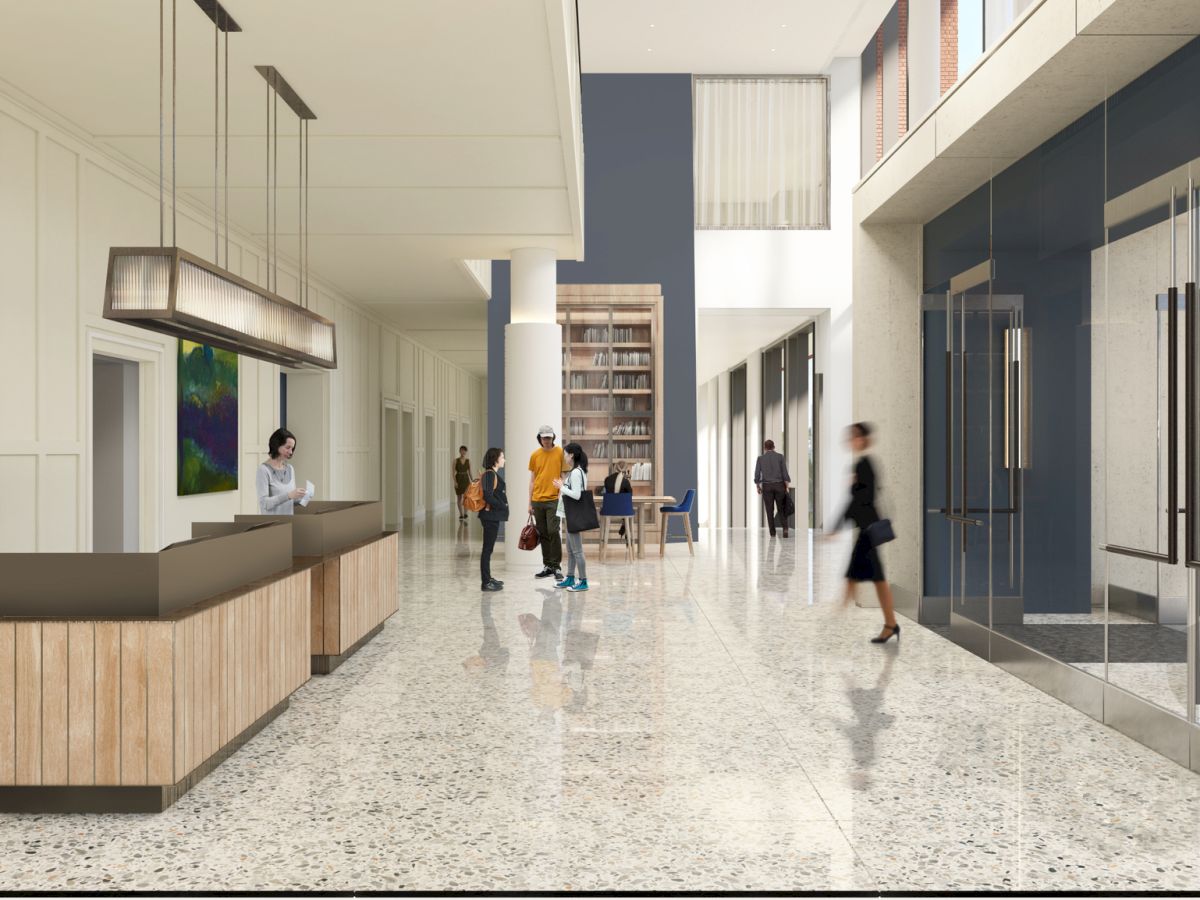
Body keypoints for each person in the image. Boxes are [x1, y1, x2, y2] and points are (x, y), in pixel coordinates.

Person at [829, 422, 899, 644]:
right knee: (876, 578)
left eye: (854, 437)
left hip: (868, 529)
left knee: (857, 573)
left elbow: (861, 499)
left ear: (863, 439)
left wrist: (837, 526)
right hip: (867, 527)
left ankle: (840, 612)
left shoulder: (863, 464)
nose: (851, 440)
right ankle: (889, 624)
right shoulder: (862, 463)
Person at [528, 425, 566, 580]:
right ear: (540, 438)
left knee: (553, 531)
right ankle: (548, 565)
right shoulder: (535, 455)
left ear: (553, 437)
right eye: (544, 437)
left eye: (549, 437)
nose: (547, 440)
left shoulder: (560, 453)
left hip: (553, 500)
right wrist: (529, 503)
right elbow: (532, 480)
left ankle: (556, 566)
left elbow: (564, 475)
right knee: (543, 533)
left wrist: (560, 490)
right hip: (537, 500)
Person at [554, 441, 590, 592]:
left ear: (572, 455)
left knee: (577, 550)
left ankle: (583, 581)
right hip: (571, 514)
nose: (564, 457)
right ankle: (570, 577)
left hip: (574, 514)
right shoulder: (577, 471)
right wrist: (563, 485)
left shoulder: (576, 472)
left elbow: (576, 495)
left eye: (565, 454)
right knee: (570, 549)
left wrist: (561, 487)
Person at [256, 428, 307, 514]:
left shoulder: (290, 469)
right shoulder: (263, 470)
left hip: (289, 523)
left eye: (292, 449)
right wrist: (288, 495)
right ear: (276, 445)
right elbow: (264, 504)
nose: (291, 452)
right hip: (273, 525)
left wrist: (302, 499)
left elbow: (289, 501)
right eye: (288, 447)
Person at [478, 447, 508, 592]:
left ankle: (488, 578)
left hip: (491, 517)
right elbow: (487, 496)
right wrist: (502, 505)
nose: (504, 460)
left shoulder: (492, 474)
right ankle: (485, 582)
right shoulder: (490, 474)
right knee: (487, 550)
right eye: (502, 457)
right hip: (489, 517)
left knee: (488, 550)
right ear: (495, 459)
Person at [753, 439, 792, 538]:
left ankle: (772, 532)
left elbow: (757, 474)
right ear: (774, 447)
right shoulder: (780, 457)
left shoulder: (760, 459)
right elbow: (784, 472)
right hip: (779, 485)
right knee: (781, 508)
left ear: (765, 448)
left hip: (767, 487)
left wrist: (758, 486)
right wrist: (786, 486)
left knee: (769, 509)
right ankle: (785, 529)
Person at [603, 459, 633, 538]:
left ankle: (624, 524)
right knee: (628, 509)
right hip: (623, 511)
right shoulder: (625, 481)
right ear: (626, 469)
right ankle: (625, 525)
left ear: (615, 468)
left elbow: (607, 492)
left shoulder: (607, 479)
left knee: (624, 507)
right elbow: (630, 495)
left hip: (608, 511)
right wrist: (628, 481)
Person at [452, 445, 473, 520]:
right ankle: (461, 514)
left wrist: (472, 481)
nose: (463, 452)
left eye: (464, 450)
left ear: (466, 452)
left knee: (466, 497)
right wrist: (455, 482)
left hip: (466, 480)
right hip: (458, 479)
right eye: (462, 450)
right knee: (459, 498)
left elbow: (470, 472)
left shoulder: (468, 461)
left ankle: (465, 513)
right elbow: (453, 472)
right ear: (459, 451)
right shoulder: (455, 460)